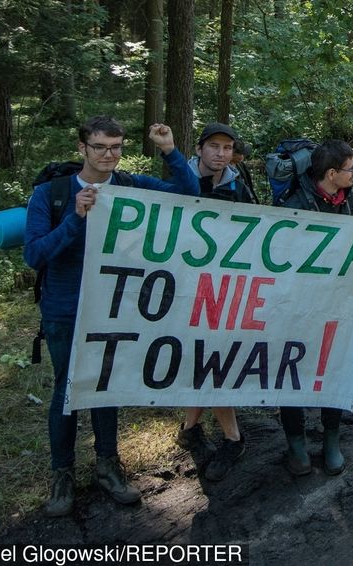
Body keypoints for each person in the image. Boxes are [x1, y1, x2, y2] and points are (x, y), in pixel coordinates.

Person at [24, 116, 200, 517]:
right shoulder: (49, 194)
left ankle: (108, 466)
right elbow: (34, 254)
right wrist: (75, 218)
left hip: (115, 305)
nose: (109, 155)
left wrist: (170, 150)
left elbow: (187, 192)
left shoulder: (129, 186)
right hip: (65, 308)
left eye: (116, 147)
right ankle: (62, 475)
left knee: (105, 385)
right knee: (67, 390)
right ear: (82, 148)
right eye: (101, 147)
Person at [277, 140, 353, 476]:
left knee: (334, 368)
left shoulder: (351, 201)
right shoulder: (295, 203)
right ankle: (297, 444)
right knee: (293, 369)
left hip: (337, 305)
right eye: (350, 168)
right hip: (299, 307)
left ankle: (331, 439)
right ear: (331, 174)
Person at [176, 122, 252, 481]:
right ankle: (197, 430)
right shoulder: (180, 178)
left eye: (227, 147)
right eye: (214, 146)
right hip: (184, 284)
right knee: (200, 357)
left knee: (214, 357)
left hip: (225, 287)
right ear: (201, 148)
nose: (221, 153)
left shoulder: (237, 184)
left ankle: (224, 435)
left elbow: (255, 228)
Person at [230, 138, 258, 202]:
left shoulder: (241, 165)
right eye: (240, 154)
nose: (242, 157)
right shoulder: (226, 170)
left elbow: (248, 183)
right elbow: (233, 189)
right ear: (232, 155)